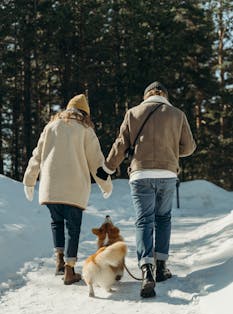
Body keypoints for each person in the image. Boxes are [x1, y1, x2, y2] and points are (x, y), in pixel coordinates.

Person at [96, 82, 196, 298]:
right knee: (163, 219)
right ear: (165, 96)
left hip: (140, 175)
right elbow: (189, 147)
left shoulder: (133, 113)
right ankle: (161, 267)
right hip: (168, 174)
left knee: (144, 220)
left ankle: (146, 269)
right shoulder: (177, 114)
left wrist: (108, 168)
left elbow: (121, 144)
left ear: (146, 96)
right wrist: (170, 149)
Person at [23, 94, 112, 285]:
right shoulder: (85, 130)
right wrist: (106, 185)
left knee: (56, 223)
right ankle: (70, 270)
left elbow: (36, 156)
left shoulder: (50, 127)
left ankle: (59, 262)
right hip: (74, 188)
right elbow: (97, 162)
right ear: (84, 114)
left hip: (51, 187)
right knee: (73, 228)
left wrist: (29, 181)